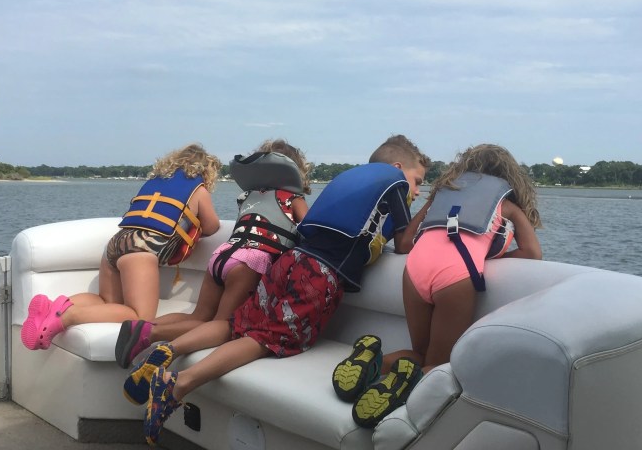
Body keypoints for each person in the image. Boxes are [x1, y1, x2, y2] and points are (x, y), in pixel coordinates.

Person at [132, 134, 430, 446]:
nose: (417, 190)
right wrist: (430, 206)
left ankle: (168, 349)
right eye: (418, 180)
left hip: (289, 261)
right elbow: (405, 242)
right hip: (320, 274)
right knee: (265, 340)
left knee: (236, 323)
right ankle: (177, 387)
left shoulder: (351, 180)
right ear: (398, 167)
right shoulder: (394, 182)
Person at [344, 143, 543, 429]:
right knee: (437, 364)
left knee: (420, 353)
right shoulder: (506, 203)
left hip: (414, 272)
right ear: (508, 176)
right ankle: (398, 391)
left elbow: (405, 245)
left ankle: (373, 361)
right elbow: (533, 253)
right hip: (455, 276)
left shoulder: (441, 195)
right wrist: (482, 257)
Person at [117, 139, 312, 403]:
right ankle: (155, 337)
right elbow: (311, 231)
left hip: (222, 255)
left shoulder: (248, 196)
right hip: (250, 262)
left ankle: (142, 328)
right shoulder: (293, 198)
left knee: (200, 315)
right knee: (224, 326)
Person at [20, 143, 222, 351]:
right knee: (139, 316)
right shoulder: (199, 190)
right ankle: (68, 317)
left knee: (105, 301)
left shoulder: (155, 182)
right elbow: (212, 225)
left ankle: (55, 306)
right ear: (205, 170)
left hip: (116, 244)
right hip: (141, 250)